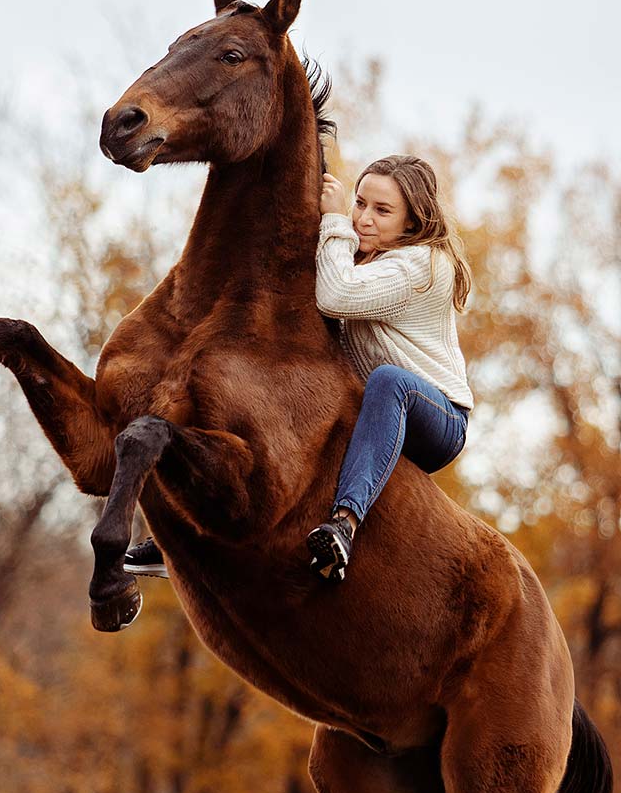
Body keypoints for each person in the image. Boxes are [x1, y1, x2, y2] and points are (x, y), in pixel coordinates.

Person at [123, 154, 474, 584]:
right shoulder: (360, 256)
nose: (363, 218)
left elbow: (335, 296)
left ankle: (344, 523)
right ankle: (180, 539)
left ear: (413, 224)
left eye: (382, 211)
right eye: (360, 203)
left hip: (435, 418)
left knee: (390, 382)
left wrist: (333, 221)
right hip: (373, 412)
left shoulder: (424, 265)